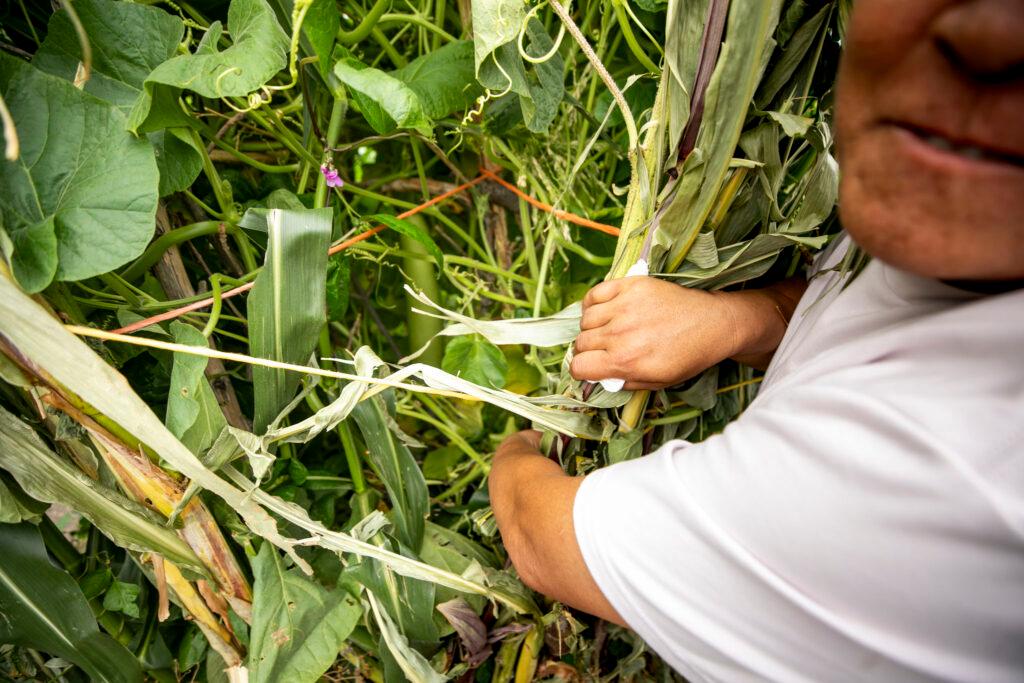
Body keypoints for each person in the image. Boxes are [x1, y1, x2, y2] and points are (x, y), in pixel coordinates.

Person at [488, 1, 1024, 680]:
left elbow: (542, 540)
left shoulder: (940, 474)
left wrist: (517, 445)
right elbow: (872, 309)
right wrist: (741, 319)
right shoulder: (972, 220)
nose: (987, 33)